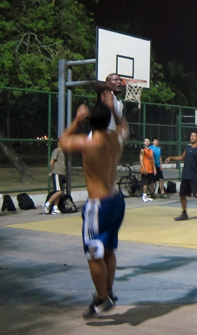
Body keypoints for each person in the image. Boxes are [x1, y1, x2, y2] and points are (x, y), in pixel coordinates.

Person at [59, 83, 128, 318]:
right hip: (117, 202)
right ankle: (108, 290)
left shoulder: (88, 144)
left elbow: (62, 142)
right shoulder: (117, 139)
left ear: (90, 122)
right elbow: (123, 125)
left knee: (93, 253)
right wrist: (112, 108)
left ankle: (101, 299)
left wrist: (77, 119)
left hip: (98, 206)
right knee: (108, 249)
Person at [166, 132, 197, 224]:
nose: (192, 137)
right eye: (191, 136)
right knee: (182, 194)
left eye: (194, 136)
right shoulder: (187, 147)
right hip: (186, 175)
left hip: (195, 176)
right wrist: (171, 157)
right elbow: (182, 157)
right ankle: (184, 213)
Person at [45, 142, 65, 215]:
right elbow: (51, 162)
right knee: (59, 191)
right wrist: (52, 171)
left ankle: (55, 208)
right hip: (57, 173)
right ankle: (47, 204)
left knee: (59, 192)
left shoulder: (62, 152)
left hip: (62, 173)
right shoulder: (56, 151)